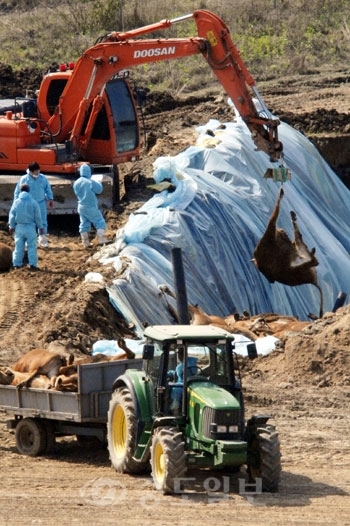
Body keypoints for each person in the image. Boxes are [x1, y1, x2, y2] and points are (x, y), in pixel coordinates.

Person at [14, 161, 53, 248]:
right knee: (29, 222)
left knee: (42, 221)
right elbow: (17, 192)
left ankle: (42, 238)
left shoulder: (42, 178)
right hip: (28, 204)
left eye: (38, 172)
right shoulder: (24, 179)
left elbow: (47, 189)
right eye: (35, 172)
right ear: (30, 171)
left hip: (40, 203)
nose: (37, 174)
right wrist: (16, 203)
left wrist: (50, 198)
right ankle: (29, 240)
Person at [8, 184, 43, 270]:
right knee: (31, 247)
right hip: (30, 227)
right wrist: (40, 227)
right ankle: (32, 264)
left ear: (20, 191)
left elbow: (12, 215)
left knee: (18, 247)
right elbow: (37, 216)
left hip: (19, 227)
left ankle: (16, 264)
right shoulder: (33, 202)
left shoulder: (16, 202)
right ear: (28, 191)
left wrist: (11, 226)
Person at [73, 163, 108, 248]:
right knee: (100, 221)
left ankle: (85, 243)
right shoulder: (90, 182)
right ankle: (101, 239)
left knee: (84, 223)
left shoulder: (76, 182)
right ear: (88, 172)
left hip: (81, 206)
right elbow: (99, 190)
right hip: (90, 206)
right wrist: (98, 182)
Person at [168, 347, 198, 415]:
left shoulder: (181, 366)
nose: (179, 356)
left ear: (182, 355)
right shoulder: (192, 362)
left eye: (180, 355)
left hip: (183, 383)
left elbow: (178, 374)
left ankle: (175, 407)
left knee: (174, 388)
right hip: (193, 382)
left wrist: (169, 373)